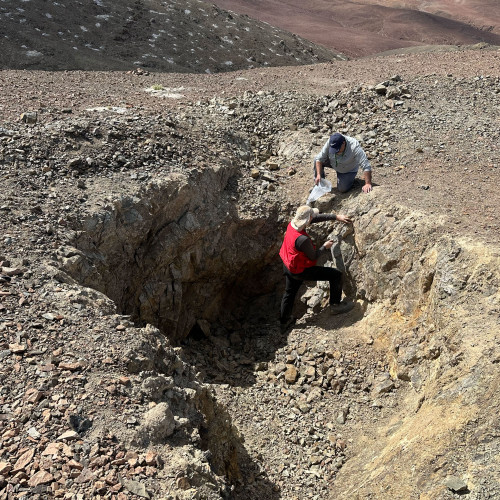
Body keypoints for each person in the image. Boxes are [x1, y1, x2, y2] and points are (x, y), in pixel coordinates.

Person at [279, 205, 355, 331]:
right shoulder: (302, 240)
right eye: (311, 217)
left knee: (289, 293)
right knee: (336, 275)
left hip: (288, 266)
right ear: (307, 219)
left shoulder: (292, 225)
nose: (312, 218)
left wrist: (336, 217)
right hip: (301, 270)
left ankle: (284, 322)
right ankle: (335, 305)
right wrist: (325, 247)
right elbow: (314, 256)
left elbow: (313, 218)